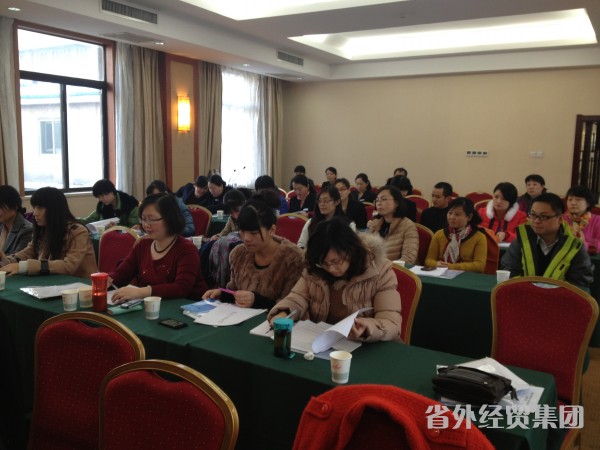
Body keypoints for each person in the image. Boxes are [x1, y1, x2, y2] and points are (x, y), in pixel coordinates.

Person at [268, 217, 402, 343]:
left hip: (368, 345)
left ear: (351, 250)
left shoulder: (379, 270)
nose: (331, 269)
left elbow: (391, 321)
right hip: (326, 343)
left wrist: (368, 327)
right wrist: (284, 313)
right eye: (324, 263)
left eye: (335, 261)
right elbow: (297, 297)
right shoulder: (315, 270)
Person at [202, 198, 304, 309]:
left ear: (271, 230)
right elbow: (235, 291)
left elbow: (293, 306)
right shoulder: (238, 254)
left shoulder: (293, 259)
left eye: (254, 233)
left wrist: (257, 301)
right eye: (242, 231)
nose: (246, 238)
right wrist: (223, 294)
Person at [109, 193, 207, 302]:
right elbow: (121, 274)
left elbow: (181, 288)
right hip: (152, 306)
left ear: (170, 219)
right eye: (143, 219)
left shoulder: (187, 249)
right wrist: (106, 280)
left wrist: (141, 292)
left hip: (187, 307)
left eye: (152, 219)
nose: (146, 225)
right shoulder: (143, 245)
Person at [501, 193, 593, 290]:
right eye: (533, 215)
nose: (536, 221)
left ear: (559, 219)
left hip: (559, 298)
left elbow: (579, 283)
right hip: (525, 295)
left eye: (544, 216)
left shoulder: (574, 246)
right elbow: (509, 272)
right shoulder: (522, 240)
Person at [0, 187, 97, 277]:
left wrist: (24, 266)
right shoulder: (44, 230)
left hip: (82, 286)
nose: (35, 213)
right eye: (34, 208)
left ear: (55, 209)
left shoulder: (77, 231)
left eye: (40, 208)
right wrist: (6, 260)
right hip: (54, 284)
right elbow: (27, 252)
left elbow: (68, 266)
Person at [425, 197, 487, 272]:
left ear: (469, 217)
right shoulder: (439, 234)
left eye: (457, 214)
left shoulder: (479, 237)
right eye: (450, 213)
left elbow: (479, 266)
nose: (452, 217)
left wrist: (451, 267)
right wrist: (436, 264)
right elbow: (428, 260)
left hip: (465, 276)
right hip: (440, 273)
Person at [367, 186, 418, 263]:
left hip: (394, 269)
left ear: (397, 203)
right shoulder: (375, 224)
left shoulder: (408, 226)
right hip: (373, 268)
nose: (379, 203)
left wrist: (384, 267)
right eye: (377, 200)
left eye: (384, 199)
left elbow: (408, 259)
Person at [563, 185, 600, 251]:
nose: (573, 203)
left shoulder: (597, 220)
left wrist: (582, 244)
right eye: (570, 199)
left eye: (578, 200)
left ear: (588, 203)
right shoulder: (561, 218)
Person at [0, 185, 33, 255]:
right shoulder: (2, 226)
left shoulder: (27, 230)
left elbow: (16, 259)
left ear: (14, 206)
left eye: (0, 206)